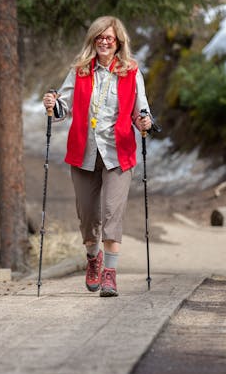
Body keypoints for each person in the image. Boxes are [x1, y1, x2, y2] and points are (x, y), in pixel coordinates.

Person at [42, 15, 152, 297]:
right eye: (100, 37)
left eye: (110, 38)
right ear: (93, 40)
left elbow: (142, 110)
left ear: (118, 43)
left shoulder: (131, 71)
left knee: (112, 213)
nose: (104, 41)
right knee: (88, 216)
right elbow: (62, 109)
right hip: (84, 151)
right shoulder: (80, 71)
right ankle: (94, 259)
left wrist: (144, 122)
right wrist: (53, 104)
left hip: (118, 152)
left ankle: (110, 276)